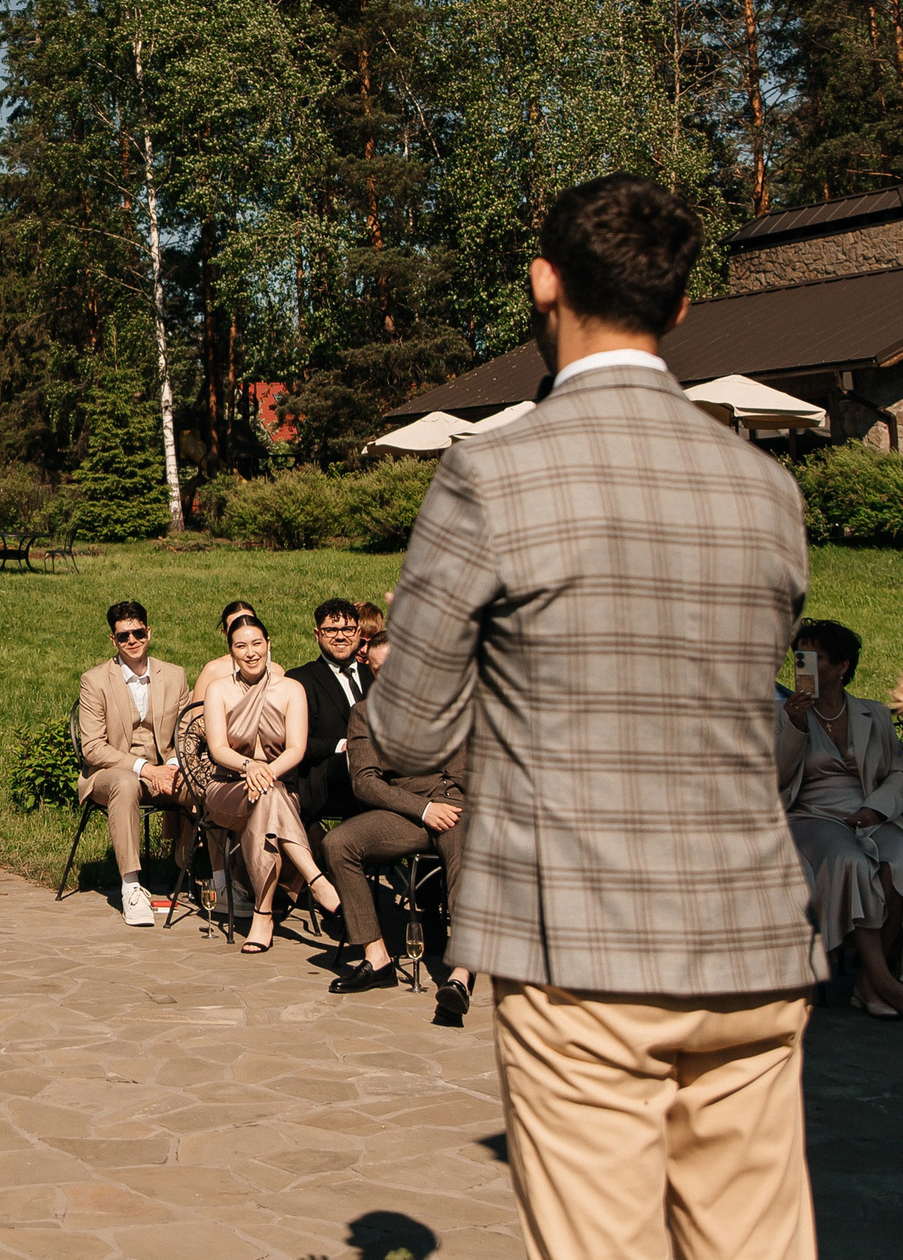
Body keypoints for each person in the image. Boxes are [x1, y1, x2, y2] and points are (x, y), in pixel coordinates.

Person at [368, 174, 821, 1260]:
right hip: (753, 941)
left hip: (581, 949)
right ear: (676, 309)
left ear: (542, 280)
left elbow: (409, 733)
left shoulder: (493, 473)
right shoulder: (765, 488)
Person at [778, 619, 903, 1020]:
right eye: (800, 658)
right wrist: (793, 726)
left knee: (898, 863)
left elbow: (899, 772)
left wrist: (876, 809)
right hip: (811, 813)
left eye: (817, 658)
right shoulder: (785, 713)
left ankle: (866, 982)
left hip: (870, 810)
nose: (805, 666)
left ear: (842, 666)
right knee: (850, 861)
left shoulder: (873, 714)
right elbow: (774, 777)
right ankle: (882, 980)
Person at [321, 700, 476, 1023]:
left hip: (465, 810)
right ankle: (377, 959)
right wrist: (422, 809)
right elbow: (364, 781)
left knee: (465, 858)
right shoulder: (367, 712)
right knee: (338, 843)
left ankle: (460, 977)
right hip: (410, 814)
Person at [202, 615, 345, 954]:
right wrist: (251, 766)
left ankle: (262, 916)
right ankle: (315, 877)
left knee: (267, 802)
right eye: (241, 646)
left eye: (256, 644)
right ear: (231, 652)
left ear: (269, 644)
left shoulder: (291, 689)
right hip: (227, 788)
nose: (250, 652)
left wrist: (265, 773)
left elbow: (296, 748)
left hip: (278, 787)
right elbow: (218, 748)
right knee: (268, 798)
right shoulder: (218, 689)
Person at [73, 601, 190, 929]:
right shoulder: (94, 681)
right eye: (124, 636)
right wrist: (144, 769)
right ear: (113, 640)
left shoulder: (175, 675)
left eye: (138, 633)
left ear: (149, 632)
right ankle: (132, 886)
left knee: (204, 781)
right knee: (125, 785)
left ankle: (212, 879)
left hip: (163, 768)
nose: (133, 641)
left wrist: (173, 764)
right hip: (109, 773)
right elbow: (94, 748)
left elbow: (185, 730)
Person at [291, 599, 371, 827]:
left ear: (358, 633)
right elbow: (296, 743)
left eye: (348, 629)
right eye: (331, 630)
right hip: (328, 780)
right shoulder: (301, 680)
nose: (340, 636)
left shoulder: (374, 675)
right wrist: (343, 746)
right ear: (317, 634)